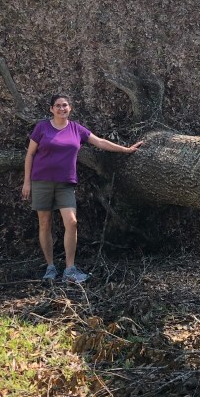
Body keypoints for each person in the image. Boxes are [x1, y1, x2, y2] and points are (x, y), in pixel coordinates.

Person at [22, 93, 144, 283]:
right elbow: (29, 155)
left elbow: (100, 142)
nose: (62, 109)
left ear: (69, 108)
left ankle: (70, 269)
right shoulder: (42, 128)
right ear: (51, 109)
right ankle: (50, 267)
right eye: (57, 106)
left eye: (65, 105)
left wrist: (125, 149)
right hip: (42, 182)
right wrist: (27, 182)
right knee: (45, 224)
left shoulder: (76, 129)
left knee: (71, 222)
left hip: (65, 183)